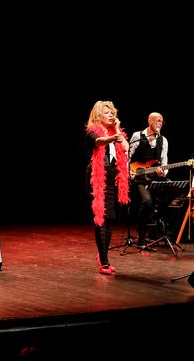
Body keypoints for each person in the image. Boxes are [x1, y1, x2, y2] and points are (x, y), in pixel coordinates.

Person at [85, 101, 130, 274]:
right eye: (107, 113)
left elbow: (125, 147)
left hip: (112, 178)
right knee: (101, 218)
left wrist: (117, 130)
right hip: (97, 177)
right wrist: (111, 138)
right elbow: (99, 142)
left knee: (110, 218)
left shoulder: (115, 132)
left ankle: (102, 256)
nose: (111, 115)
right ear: (98, 116)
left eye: (112, 112)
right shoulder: (91, 131)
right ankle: (104, 262)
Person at [128, 112, 169, 249]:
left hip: (155, 178)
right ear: (149, 121)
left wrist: (163, 172)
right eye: (157, 120)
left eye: (161, 121)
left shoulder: (163, 140)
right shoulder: (137, 136)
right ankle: (141, 237)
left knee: (173, 192)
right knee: (147, 201)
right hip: (138, 178)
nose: (160, 124)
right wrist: (129, 171)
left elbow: (164, 162)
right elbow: (127, 157)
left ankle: (156, 233)